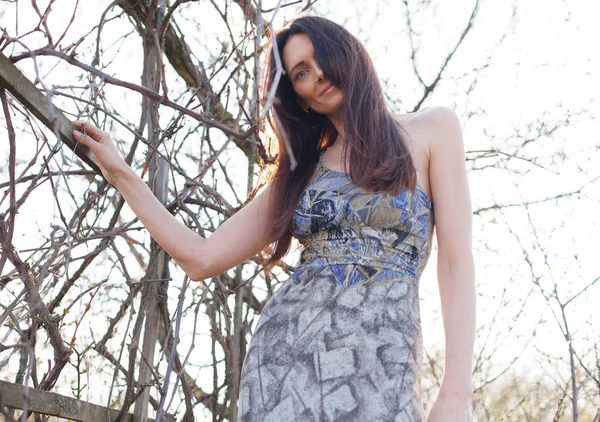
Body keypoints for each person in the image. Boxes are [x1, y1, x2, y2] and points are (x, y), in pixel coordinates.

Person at [73, 15, 475, 422]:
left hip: (385, 366)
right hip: (286, 366)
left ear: (349, 53)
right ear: (297, 97)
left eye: (321, 57)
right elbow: (200, 257)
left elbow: (455, 262)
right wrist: (122, 175)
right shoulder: (301, 175)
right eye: (301, 72)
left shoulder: (432, 130)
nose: (317, 74)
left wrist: (457, 392)